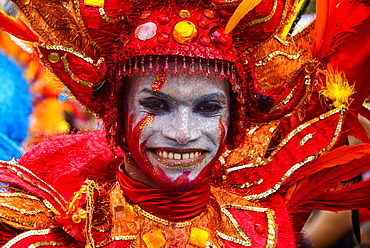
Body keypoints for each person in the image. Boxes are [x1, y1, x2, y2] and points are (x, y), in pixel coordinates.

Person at [1, 0, 370, 247]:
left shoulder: (261, 228)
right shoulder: (51, 224)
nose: (182, 134)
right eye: (156, 105)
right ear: (116, 111)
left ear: (235, 119)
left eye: (208, 109)